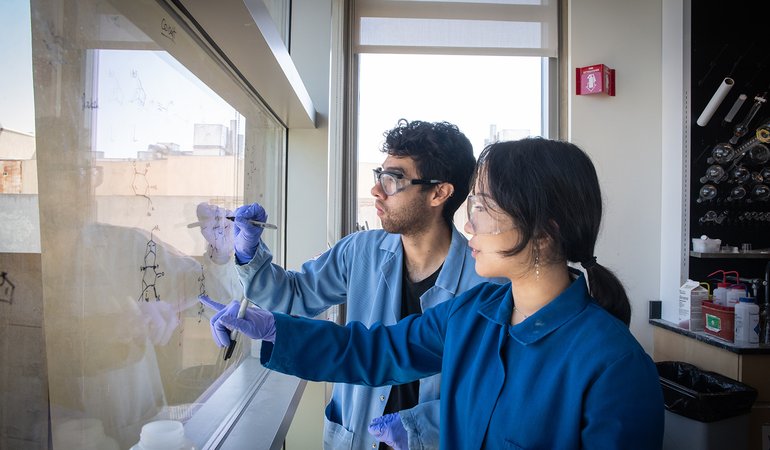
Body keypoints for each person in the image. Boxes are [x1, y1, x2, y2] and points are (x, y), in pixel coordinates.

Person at [201, 137, 665, 449]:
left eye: (482, 207)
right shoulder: (475, 314)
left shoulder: (615, 366)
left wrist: (420, 427)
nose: (468, 224)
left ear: (544, 230)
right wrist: (271, 330)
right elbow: (373, 350)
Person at [208, 119, 498, 450]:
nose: (377, 189)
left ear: (439, 192)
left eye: (395, 179)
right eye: (380, 175)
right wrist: (250, 256)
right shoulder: (361, 251)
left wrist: (424, 427)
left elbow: (488, 392)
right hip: (356, 438)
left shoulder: (484, 282)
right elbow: (296, 295)